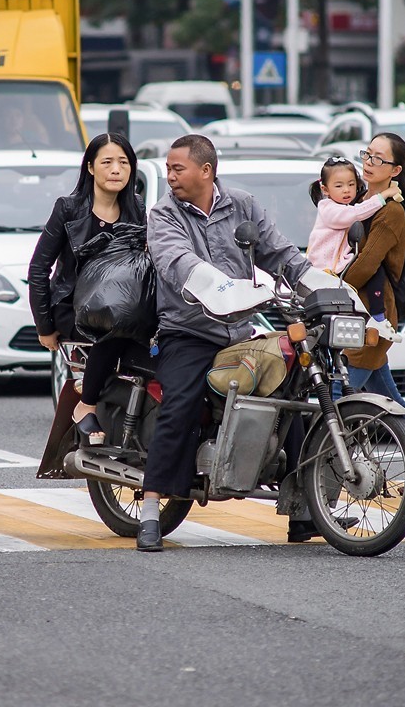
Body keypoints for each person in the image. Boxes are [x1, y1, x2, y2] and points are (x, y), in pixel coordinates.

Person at [138, 134, 326, 551]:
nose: (170, 176)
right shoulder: (163, 214)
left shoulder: (243, 204)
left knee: (291, 390)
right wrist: (218, 287)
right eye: (168, 169)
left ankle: (303, 509)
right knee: (181, 402)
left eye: (177, 168)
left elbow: (280, 255)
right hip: (187, 332)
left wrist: (324, 288)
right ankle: (151, 509)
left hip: (239, 330)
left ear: (206, 170)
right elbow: (176, 261)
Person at [340, 133, 405, 491]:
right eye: (367, 155)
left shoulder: (390, 211)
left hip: (374, 315)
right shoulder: (366, 201)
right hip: (360, 310)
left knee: (339, 401)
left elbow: (366, 265)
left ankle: (324, 475)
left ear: (396, 170)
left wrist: (328, 281)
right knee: (387, 395)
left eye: (378, 159)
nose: (369, 162)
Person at [28, 133, 146, 445]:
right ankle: (86, 405)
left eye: (123, 162)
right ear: (91, 168)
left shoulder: (137, 208)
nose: (116, 170)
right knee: (114, 330)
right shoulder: (68, 209)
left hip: (123, 306)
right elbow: (39, 268)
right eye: (107, 162)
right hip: (75, 308)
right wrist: (45, 326)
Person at [306, 155, 402, 343]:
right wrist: (383, 196)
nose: (347, 190)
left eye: (351, 184)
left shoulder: (344, 205)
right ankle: (377, 317)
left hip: (336, 264)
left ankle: (377, 319)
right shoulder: (328, 208)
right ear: (325, 189)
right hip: (325, 269)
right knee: (374, 270)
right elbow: (354, 215)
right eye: (339, 186)